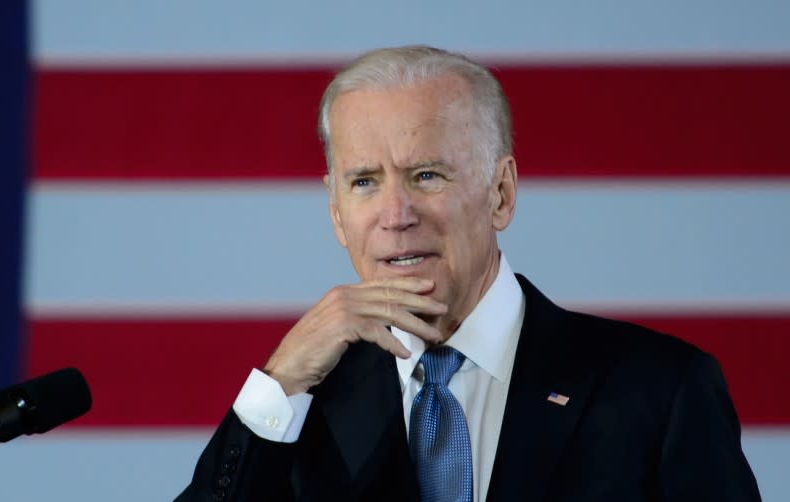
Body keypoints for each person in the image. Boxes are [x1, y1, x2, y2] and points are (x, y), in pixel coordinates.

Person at [176, 46, 760, 502]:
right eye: (364, 182)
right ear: (336, 214)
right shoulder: (302, 408)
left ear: (501, 194)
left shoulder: (659, 390)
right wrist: (279, 382)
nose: (396, 216)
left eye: (427, 175)